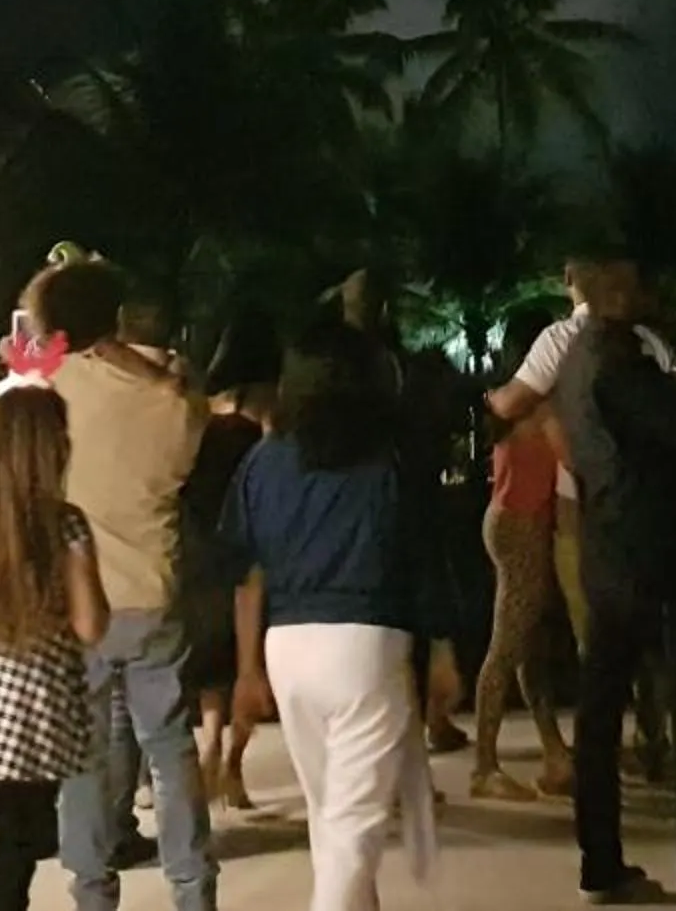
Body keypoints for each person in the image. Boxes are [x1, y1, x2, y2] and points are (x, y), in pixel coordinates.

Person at [225, 315, 452, 911]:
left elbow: (247, 570)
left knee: (331, 818)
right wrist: (445, 651)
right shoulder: (391, 461)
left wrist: (247, 668)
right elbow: (423, 559)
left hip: (287, 648)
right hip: (367, 645)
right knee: (351, 826)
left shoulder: (263, 463)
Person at [31, 257, 219, 911]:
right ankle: (193, 893)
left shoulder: (55, 387)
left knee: (86, 755)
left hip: (78, 599)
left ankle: (91, 893)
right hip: (152, 591)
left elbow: (32, 343)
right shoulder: (178, 402)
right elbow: (180, 393)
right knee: (168, 749)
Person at [487, 260, 676, 782]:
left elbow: (519, 409)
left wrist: (490, 399)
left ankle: (589, 768)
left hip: (579, 512)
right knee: (644, 635)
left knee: (590, 640)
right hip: (642, 509)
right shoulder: (648, 342)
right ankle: (649, 744)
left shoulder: (559, 344)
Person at [553, 259, 676, 906]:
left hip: (604, 545)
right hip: (650, 549)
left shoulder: (573, 361)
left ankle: (601, 857)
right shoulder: (620, 363)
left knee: (599, 712)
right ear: (617, 295)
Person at [0, 385, 112, 911]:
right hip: (40, 704)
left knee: (11, 837)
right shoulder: (63, 524)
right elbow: (90, 625)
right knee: (20, 843)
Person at [184, 307, 282, 810]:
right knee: (245, 661)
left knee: (211, 667)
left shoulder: (202, 416)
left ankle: (213, 750)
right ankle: (230, 762)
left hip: (199, 548)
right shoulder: (265, 429)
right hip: (248, 549)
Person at [466, 402, 572, 802]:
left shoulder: (518, 406)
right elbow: (572, 459)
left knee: (527, 647)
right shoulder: (542, 411)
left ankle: (555, 753)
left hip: (512, 519)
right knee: (507, 648)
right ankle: (484, 767)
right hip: (523, 524)